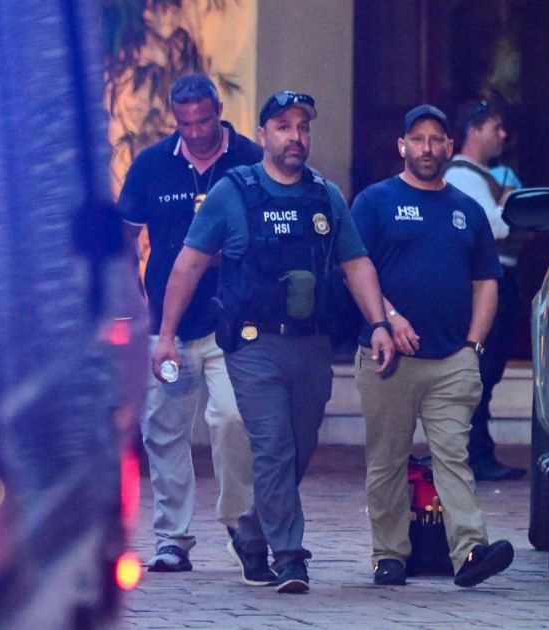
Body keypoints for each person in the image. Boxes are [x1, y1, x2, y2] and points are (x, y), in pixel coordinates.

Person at [151, 90, 396, 594]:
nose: (295, 136)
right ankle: (290, 556)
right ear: (262, 135)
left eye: (303, 127)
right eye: (283, 127)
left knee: (300, 446)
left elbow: (356, 264)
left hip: (310, 344)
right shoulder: (233, 193)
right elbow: (189, 264)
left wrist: (378, 324)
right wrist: (167, 336)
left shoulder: (326, 195)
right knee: (273, 446)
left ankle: (251, 531)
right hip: (252, 344)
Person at [353, 104, 515, 588]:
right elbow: (357, 271)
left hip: (452, 360)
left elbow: (487, 280)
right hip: (388, 360)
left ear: (449, 146)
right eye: (417, 139)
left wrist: (473, 347)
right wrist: (388, 319)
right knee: (387, 460)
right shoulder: (375, 201)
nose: (427, 147)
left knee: (454, 457)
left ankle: (469, 552)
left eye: (436, 139)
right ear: (402, 146)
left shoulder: (466, 209)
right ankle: (389, 555)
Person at [118, 74, 263, 573]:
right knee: (163, 431)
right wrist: (135, 305)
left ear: (219, 110)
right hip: (166, 326)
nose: (197, 132)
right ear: (173, 118)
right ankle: (172, 538)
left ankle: (240, 526)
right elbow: (124, 239)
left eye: (205, 120)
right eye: (186, 123)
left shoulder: (249, 159)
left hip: (233, 322)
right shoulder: (152, 164)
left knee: (232, 419)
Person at [442, 100, 527, 481]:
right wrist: (510, 206)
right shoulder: (463, 177)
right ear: (473, 131)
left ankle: (478, 450)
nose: (503, 135)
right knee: (479, 368)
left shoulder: (483, 176)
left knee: (488, 371)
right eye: (495, 128)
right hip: (482, 285)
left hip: (500, 281)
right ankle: (474, 454)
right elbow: (492, 227)